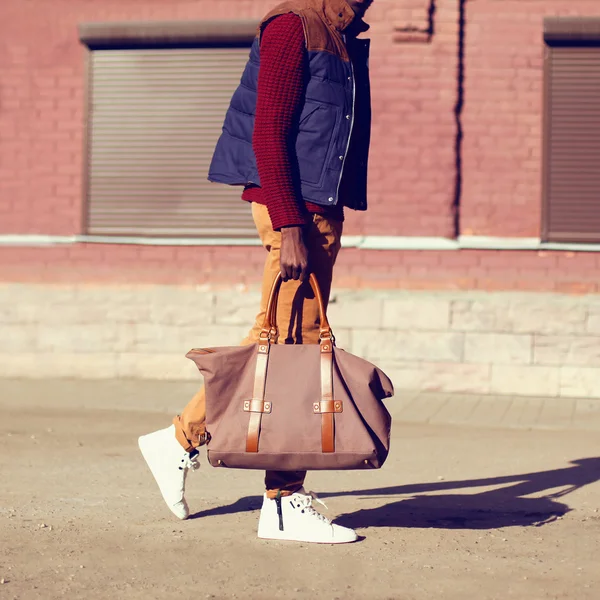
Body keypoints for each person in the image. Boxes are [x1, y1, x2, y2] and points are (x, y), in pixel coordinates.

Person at [139, 0, 373, 544]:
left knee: (284, 340)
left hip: (316, 208)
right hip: (295, 209)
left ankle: (182, 441)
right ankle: (283, 501)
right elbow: (268, 129)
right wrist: (291, 224)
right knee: (293, 346)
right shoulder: (295, 25)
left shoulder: (340, 35)